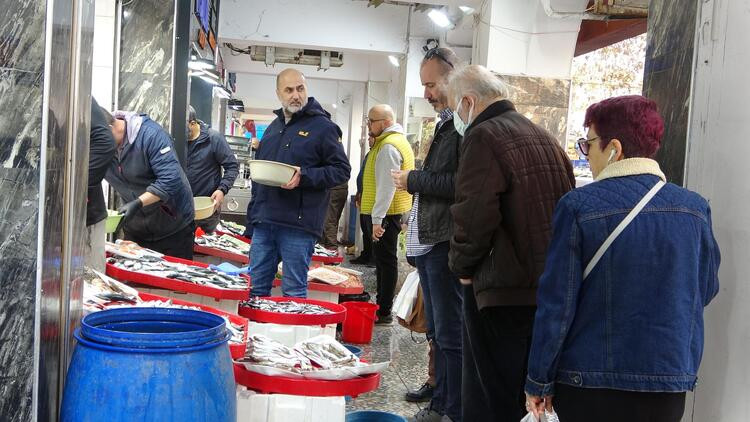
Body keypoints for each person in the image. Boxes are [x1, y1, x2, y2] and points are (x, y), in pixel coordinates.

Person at [524, 95, 721, 422]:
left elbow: (557, 305)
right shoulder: (695, 208)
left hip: (588, 381)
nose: (588, 155)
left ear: (613, 147)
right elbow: (706, 288)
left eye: (589, 145)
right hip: (667, 380)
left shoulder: (578, 207)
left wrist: (538, 379)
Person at [446, 64, 575, 421]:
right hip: (543, 290)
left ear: (468, 101)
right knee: (525, 397)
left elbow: (473, 214)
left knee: (489, 395)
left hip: (499, 291)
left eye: (456, 106)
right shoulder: (545, 137)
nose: (457, 115)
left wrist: (461, 266)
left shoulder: (483, 136)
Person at [392, 47, 463, 422]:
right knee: (437, 330)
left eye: (431, 85)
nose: (427, 94)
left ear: (454, 78)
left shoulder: (463, 126)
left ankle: (449, 408)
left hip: (446, 244)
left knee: (449, 333)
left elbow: (459, 183)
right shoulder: (446, 124)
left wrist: (412, 179)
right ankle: (440, 398)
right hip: (432, 242)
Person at [247, 68, 350, 298]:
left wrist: (304, 176)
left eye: (300, 88)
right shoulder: (274, 128)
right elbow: (260, 176)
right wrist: (252, 221)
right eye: (289, 90)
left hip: (299, 226)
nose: (296, 95)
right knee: (255, 290)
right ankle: (256, 335)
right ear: (278, 93)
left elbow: (342, 171)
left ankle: (292, 334)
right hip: (265, 223)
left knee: (293, 293)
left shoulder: (323, 127)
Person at [104, 109, 196, 259]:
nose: (95, 147)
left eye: (96, 139)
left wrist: (138, 203)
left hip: (173, 226)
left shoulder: (151, 135)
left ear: (107, 130)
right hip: (136, 229)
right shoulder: (103, 146)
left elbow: (171, 179)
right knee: (135, 279)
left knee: (170, 279)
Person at [360, 104, 415, 324]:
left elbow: (386, 187)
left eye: (371, 121)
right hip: (389, 213)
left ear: (385, 123)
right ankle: (381, 306)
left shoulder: (389, 147)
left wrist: (376, 220)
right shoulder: (390, 143)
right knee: (384, 261)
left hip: (386, 214)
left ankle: (383, 310)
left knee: (386, 262)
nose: (368, 126)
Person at [186, 106, 239, 232]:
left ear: (193, 123)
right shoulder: (177, 139)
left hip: (207, 209)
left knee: (203, 249)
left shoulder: (213, 138)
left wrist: (222, 189)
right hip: (181, 209)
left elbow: (232, 167)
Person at [84, 98, 117, 271]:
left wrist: (76, 193)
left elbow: (105, 143)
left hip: (88, 217)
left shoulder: (77, 94)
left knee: (91, 280)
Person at [351, 135, 376, 266]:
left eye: (371, 137)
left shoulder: (379, 152)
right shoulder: (369, 153)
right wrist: (359, 192)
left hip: (373, 198)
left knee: (371, 229)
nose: (368, 139)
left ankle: (373, 258)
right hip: (364, 195)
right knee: (365, 228)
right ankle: (365, 255)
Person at [320, 180, 348, 248]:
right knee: (334, 218)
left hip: (333, 189)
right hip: (343, 188)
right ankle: (327, 241)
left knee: (329, 219)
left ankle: (331, 245)